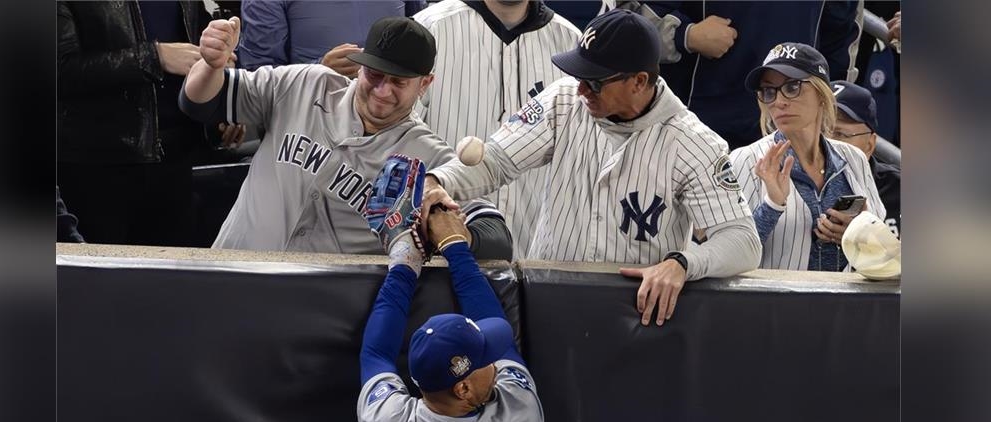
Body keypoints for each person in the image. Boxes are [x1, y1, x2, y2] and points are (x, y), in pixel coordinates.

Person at [420, 9, 761, 326]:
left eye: (595, 81)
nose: (582, 88)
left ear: (639, 81)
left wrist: (683, 263)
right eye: (579, 74)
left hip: (636, 316)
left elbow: (742, 240)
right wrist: (439, 180)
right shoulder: (564, 100)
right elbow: (496, 161)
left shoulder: (694, 142)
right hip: (547, 302)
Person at [180, 15, 513, 259]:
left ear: (425, 84)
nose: (382, 91)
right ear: (361, 66)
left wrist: (457, 231)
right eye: (375, 75)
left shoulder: (427, 155)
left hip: (324, 306)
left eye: (398, 82)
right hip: (233, 270)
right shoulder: (305, 84)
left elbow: (497, 238)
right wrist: (210, 65)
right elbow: (201, 103)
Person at [358, 185, 542, 422]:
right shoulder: (518, 413)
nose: (494, 362)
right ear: (463, 388)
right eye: (485, 360)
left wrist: (405, 260)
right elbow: (493, 320)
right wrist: (455, 245)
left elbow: (376, 354)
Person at [57, 1, 245, 247]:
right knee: (98, 269)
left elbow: (200, 49)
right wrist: (154, 57)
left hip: (179, 161)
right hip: (97, 165)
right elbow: (61, 69)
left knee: (173, 269)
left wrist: (224, 105)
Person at [413, 0, 581, 257]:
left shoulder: (570, 41)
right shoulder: (430, 28)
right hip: (444, 246)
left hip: (531, 249)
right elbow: (398, 135)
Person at [729, 42, 886, 272]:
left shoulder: (854, 158)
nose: (779, 101)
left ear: (822, 93)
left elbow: (882, 245)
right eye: (769, 91)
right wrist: (772, 205)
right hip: (772, 296)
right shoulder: (746, 160)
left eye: (792, 87)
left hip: (846, 296)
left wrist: (860, 232)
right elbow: (730, 253)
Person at [629, 1, 864, 150]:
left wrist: (829, 114)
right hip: (694, 132)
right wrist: (687, 36)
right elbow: (632, 22)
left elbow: (842, 39)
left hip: (788, 134)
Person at [238, 1, 426, 74]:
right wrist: (319, 70)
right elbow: (258, 79)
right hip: (311, 120)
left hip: (396, 115)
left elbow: (422, 36)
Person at [830, 80, 900, 238]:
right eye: (819, 131)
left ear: (869, 145)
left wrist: (866, 241)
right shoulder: (786, 187)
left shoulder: (902, 190)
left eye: (840, 134)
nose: (826, 143)